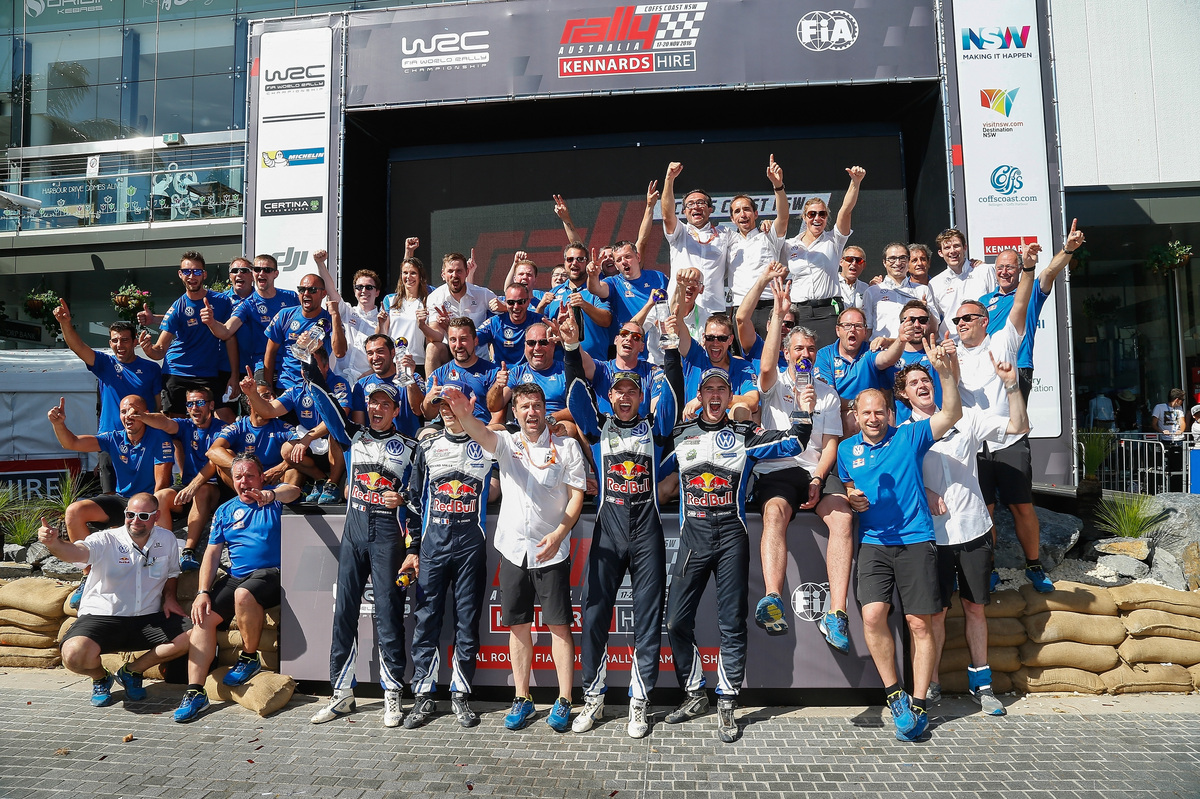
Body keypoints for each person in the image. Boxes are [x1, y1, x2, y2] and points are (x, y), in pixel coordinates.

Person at [659, 323, 814, 743]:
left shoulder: (745, 435)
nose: (713, 396)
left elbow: (794, 443)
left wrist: (802, 407)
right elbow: (652, 473)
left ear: (730, 398)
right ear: (700, 395)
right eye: (707, 390)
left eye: (720, 391)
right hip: (692, 537)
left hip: (730, 535)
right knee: (675, 622)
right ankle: (694, 692)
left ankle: (727, 700)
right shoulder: (681, 434)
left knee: (731, 623)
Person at [439, 382, 586, 733]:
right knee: (519, 627)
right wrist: (462, 412)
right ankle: (522, 697)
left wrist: (559, 534)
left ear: (544, 411)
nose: (531, 412)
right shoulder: (505, 443)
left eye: (536, 405)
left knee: (559, 628)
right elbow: (479, 432)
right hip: (513, 550)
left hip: (551, 551)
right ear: (516, 412)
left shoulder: (566, 447)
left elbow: (576, 495)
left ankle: (564, 699)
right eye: (524, 407)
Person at [837, 334, 962, 742]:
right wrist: (854, 501)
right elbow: (852, 491)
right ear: (855, 415)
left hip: (915, 539)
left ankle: (920, 701)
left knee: (918, 623)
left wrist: (946, 375)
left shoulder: (909, 436)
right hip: (873, 541)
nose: (873, 418)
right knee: (873, 616)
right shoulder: (846, 450)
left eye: (880, 412)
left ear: (891, 413)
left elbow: (951, 414)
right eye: (865, 412)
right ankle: (895, 694)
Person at [561, 313, 676, 738]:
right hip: (608, 531)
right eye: (619, 392)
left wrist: (671, 350)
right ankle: (593, 698)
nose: (625, 398)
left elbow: (676, 397)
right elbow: (575, 395)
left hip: (647, 533)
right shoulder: (598, 428)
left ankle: (639, 703)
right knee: (594, 616)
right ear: (610, 396)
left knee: (648, 620)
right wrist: (572, 348)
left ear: (641, 396)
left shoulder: (655, 430)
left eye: (632, 392)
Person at [895, 352, 1029, 717]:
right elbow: (895, 480)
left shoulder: (967, 417)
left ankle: (983, 686)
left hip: (973, 529)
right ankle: (931, 683)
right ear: (904, 394)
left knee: (974, 608)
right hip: (931, 538)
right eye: (913, 384)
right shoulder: (903, 434)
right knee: (934, 615)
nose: (922, 386)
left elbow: (1019, 426)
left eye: (926, 380)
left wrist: (1011, 385)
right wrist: (926, 492)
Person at [301, 361, 419, 728]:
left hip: (388, 538)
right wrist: (310, 366)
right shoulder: (354, 435)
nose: (377, 409)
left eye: (385, 404)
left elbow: (421, 501)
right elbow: (325, 405)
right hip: (353, 534)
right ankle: (340, 694)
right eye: (372, 403)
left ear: (396, 410)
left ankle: (392, 694)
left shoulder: (412, 449)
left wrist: (404, 503)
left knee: (387, 616)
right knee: (344, 614)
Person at [752, 278, 855, 653]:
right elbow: (764, 367)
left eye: (811, 348)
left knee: (842, 517)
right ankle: (774, 598)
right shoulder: (774, 381)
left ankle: (837, 613)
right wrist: (779, 315)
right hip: (778, 468)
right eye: (798, 349)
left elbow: (830, 445)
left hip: (813, 469)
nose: (805, 354)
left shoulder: (826, 392)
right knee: (775, 513)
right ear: (787, 351)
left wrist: (818, 477)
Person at [173, 455, 303, 723]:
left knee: (243, 594)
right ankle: (195, 692)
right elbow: (211, 554)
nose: (244, 481)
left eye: (250, 475)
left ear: (261, 477)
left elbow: (295, 491)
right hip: (237, 575)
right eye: (239, 477)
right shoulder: (224, 511)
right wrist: (202, 593)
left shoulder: (273, 500)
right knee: (203, 617)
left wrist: (271, 494)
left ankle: (249, 657)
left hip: (274, 573)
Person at [402, 379, 497, 729]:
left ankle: (460, 694)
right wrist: (413, 548)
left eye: (452, 404)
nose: (446, 411)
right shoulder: (426, 447)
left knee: (466, 621)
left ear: (466, 405)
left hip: (471, 544)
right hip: (433, 544)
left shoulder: (487, 445)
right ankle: (423, 696)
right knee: (426, 619)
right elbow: (413, 503)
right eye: (441, 406)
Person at [38, 494, 190, 707]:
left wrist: (170, 598)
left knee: (197, 634)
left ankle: (132, 671)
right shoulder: (105, 540)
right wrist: (54, 543)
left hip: (147, 618)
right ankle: (101, 677)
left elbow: (172, 573)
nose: (135, 520)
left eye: (143, 516)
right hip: (103, 617)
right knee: (73, 655)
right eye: (130, 514)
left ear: (156, 517)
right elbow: (76, 552)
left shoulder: (167, 539)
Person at [954, 241, 1041, 591]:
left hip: (1009, 438)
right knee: (985, 511)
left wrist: (1029, 269)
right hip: (974, 446)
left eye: (967, 318)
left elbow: (1020, 304)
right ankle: (988, 569)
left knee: (1022, 507)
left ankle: (1034, 566)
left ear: (984, 321)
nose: (961, 323)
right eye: (957, 319)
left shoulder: (1003, 339)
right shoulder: (952, 353)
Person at [49, 395, 176, 608]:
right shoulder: (114, 437)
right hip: (120, 500)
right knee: (74, 511)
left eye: (134, 411)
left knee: (154, 505)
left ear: (145, 415)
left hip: (146, 502)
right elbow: (72, 442)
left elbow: (160, 484)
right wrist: (59, 424)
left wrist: (146, 514)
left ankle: (159, 580)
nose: (128, 416)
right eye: (124, 411)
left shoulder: (159, 437)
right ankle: (89, 575)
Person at [53, 303, 162, 493]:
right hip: (109, 441)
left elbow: (159, 408)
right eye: (115, 340)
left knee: (147, 497)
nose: (120, 345)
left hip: (144, 440)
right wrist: (65, 323)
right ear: (110, 343)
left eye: (125, 340)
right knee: (110, 497)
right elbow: (78, 347)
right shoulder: (105, 364)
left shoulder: (152, 369)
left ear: (135, 342)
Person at [979, 219, 1085, 399]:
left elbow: (1051, 271)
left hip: (1019, 365)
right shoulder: (984, 300)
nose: (1004, 272)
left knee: (1015, 422)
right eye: (1000, 267)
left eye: (1010, 267)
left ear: (1020, 268)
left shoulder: (1032, 290)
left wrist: (1068, 249)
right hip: (989, 365)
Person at [137, 252, 239, 421]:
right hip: (177, 372)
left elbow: (230, 337)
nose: (192, 276)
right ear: (180, 274)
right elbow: (160, 350)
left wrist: (234, 376)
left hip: (208, 373)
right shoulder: (177, 307)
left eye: (197, 272)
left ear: (204, 274)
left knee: (226, 419)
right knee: (177, 426)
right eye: (187, 272)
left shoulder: (222, 301)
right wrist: (148, 349)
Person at [131, 387, 224, 571]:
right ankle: (162, 551)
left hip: (212, 490)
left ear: (211, 405)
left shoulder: (222, 429)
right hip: (188, 490)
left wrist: (194, 486)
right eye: (190, 404)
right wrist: (143, 416)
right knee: (160, 497)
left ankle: (188, 551)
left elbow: (214, 461)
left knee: (203, 489)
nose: (194, 408)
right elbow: (165, 423)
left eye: (200, 402)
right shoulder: (186, 425)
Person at [242, 351, 353, 504]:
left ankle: (332, 484)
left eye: (312, 365)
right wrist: (253, 394)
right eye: (304, 366)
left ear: (326, 366)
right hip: (311, 446)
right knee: (287, 449)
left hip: (336, 445)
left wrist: (308, 437)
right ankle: (320, 479)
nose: (307, 370)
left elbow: (339, 417)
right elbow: (269, 411)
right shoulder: (297, 390)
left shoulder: (338, 384)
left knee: (336, 433)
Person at [781, 166, 866, 344]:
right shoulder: (790, 245)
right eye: (812, 214)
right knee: (801, 359)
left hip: (828, 311)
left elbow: (846, 210)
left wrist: (855, 183)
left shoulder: (834, 240)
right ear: (804, 217)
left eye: (822, 214)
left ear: (827, 217)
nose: (817, 218)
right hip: (800, 312)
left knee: (828, 359)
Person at [673, 270, 758, 420]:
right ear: (703, 338)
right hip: (695, 432)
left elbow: (753, 401)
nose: (715, 343)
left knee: (742, 408)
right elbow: (678, 320)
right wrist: (680, 286)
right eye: (711, 338)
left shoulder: (742, 367)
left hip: (728, 435)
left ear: (731, 340)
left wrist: (707, 399)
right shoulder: (695, 356)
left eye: (722, 338)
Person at [201, 253, 300, 378]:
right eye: (257, 269)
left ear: (276, 274)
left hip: (290, 363)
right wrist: (211, 322)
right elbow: (226, 331)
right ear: (253, 273)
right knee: (263, 396)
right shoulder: (248, 304)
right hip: (263, 365)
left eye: (267, 270)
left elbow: (310, 315)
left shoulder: (290, 297)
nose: (261, 273)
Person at [661, 161, 735, 323]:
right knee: (678, 348)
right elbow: (667, 215)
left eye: (701, 203)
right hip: (680, 307)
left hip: (713, 309)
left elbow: (746, 239)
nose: (696, 207)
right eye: (690, 204)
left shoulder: (725, 233)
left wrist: (766, 226)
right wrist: (669, 179)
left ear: (710, 209)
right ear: (684, 211)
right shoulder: (680, 231)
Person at [726, 155, 789, 337]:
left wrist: (778, 186)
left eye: (746, 209)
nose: (743, 214)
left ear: (756, 213)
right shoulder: (728, 241)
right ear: (732, 219)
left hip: (768, 306)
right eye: (737, 211)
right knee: (743, 362)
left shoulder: (768, 235)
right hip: (740, 309)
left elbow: (783, 217)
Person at [207, 377, 307, 491]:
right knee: (223, 456)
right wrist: (247, 470)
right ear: (250, 400)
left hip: (275, 481)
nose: (273, 399)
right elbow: (213, 451)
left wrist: (281, 467)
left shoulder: (283, 427)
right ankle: (247, 498)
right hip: (248, 480)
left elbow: (301, 454)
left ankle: (282, 505)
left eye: (273, 395)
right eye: (266, 396)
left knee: (293, 468)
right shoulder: (238, 427)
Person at [587, 240, 670, 364]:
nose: (624, 262)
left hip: (661, 353)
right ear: (615, 265)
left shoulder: (658, 277)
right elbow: (596, 289)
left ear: (638, 257)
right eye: (619, 260)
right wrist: (593, 275)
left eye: (628, 257)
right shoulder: (614, 283)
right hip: (633, 355)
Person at [313, 249, 390, 381]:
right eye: (359, 287)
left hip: (368, 379)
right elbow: (331, 289)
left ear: (377, 292)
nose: (364, 291)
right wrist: (320, 263)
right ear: (355, 291)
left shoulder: (384, 318)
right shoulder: (347, 310)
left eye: (369, 287)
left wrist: (368, 375)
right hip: (340, 377)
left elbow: (387, 354)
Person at [262, 273, 346, 391]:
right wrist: (268, 387)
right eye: (302, 289)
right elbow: (270, 353)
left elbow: (340, 353)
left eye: (312, 290)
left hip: (316, 387)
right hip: (286, 387)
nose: (306, 293)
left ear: (323, 294)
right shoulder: (284, 315)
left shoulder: (331, 320)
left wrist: (335, 315)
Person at [425, 251, 498, 371]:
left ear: (467, 272)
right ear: (443, 275)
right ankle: (431, 388)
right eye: (450, 271)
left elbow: (508, 308)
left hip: (478, 355)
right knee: (432, 348)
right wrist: (423, 325)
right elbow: (435, 336)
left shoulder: (482, 294)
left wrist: (503, 307)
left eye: (459, 271)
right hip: (450, 354)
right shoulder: (435, 297)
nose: (455, 275)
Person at [422, 318, 500, 425]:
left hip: (479, 429)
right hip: (448, 430)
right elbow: (429, 415)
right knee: (424, 434)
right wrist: (429, 400)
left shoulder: (493, 373)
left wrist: (484, 436)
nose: (458, 345)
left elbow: (498, 418)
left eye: (463, 339)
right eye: (453, 340)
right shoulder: (438, 375)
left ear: (475, 341)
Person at [542, 244, 612, 362]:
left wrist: (584, 304)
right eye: (570, 259)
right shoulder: (554, 292)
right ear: (564, 263)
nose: (574, 263)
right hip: (560, 365)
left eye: (580, 259)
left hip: (594, 363)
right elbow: (544, 326)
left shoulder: (597, 288)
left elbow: (606, 321)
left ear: (587, 263)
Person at [379, 248, 441, 378]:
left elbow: (437, 337)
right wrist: (380, 323)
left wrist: (423, 325)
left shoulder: (428, 300)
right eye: (405, 273)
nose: (408, 277)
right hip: (392, 363)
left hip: (417, 362)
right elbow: (381, 336)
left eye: (413, 273)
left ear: (420, 276)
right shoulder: (390, 300)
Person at [862, 242, 942, 340]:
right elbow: (867, 329)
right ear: (884, 262)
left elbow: (934, 328)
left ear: (908, 261)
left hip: (912, 350)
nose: (898, 263)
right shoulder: (872, 292)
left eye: (902, 258)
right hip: (882, 351)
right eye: (892, 258)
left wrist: (926, 309)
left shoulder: (922, 290)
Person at [487, 322, 569, 416]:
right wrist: (498, 386)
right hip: (522, 426)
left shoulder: (566, 371)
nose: (537, 348)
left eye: (543, 342)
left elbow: (580, 408)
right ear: (525, 346)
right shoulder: (516, 373)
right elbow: (493, 407)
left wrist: (550, 419)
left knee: (569, 428)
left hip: (557, 425)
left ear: (553, 345)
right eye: (531, 343)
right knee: (487, 430)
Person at [349, 334, 424, 435]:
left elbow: (418, 411)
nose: (375, 357)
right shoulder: (361, 385)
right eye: (370, 353)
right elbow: (359, 427)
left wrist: (409, 377)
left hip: (407, 445)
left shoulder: (414, 377)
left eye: (380, 352)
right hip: (374, 445)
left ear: (393, 353)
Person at [929, 229, 996, 335]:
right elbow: (934, 321)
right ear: (940, 253)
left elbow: (995, 307)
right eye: (947, 248)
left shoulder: (984, 271)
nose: (952, 251)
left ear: (965, 247)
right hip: (950, 344)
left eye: (956, 246)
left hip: (982, 342)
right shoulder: (935, 284)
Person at [478, 283, 547, 366]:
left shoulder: (539, 321)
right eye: (511, 302)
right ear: (505, 303)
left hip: (530, 375)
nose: (516, 307)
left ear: (528, 302)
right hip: (503, 375)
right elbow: (471, 340)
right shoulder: (495, 322)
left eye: (521, 302)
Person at [1152, 388, 1189, 492]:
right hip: (1165, 440)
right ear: (1177, 399)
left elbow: (1182, 422)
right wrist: (1161, 431)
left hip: (1178, 439)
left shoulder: (1179, 408)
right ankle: (1166, 488)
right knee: (1166, 466)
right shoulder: (1159, 407)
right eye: (1182, 399)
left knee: (1179, 465)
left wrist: (1181, 431)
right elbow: (1154, 423)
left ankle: (1178, 488)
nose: (1182, 402)